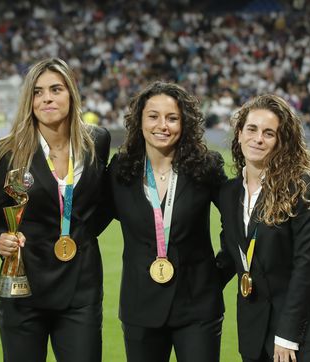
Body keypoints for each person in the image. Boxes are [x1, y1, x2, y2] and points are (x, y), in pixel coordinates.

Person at [95, 81, 227, 361]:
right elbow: (91, 224)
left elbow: (236, 221)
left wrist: (220, 271)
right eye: (153, 116)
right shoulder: (120, 170)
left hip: (198, 306)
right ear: (139, 121)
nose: (162, 125)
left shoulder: (205, 166)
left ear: (184, 123)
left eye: (172, 118)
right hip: (140, 306)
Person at [0, 57, 110, 361]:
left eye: (56, 89)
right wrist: (0, 238)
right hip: (23, 286)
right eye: (38, 91)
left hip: (80, 287)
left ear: (71, 93)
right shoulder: (7, 151)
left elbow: (101, 205)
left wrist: (79, 235)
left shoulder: (97, 141)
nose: (47, 98)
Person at [216, 94, 310, 362]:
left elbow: (307, 266)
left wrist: (288, 334)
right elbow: (233, 255)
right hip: (255, 325)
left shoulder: (301, 187)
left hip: (304, 328)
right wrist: (190, 289)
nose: (258, 139)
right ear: (239, 134)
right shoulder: (229, 193)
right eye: (251, 129)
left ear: (281, 142)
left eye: (269, 133)